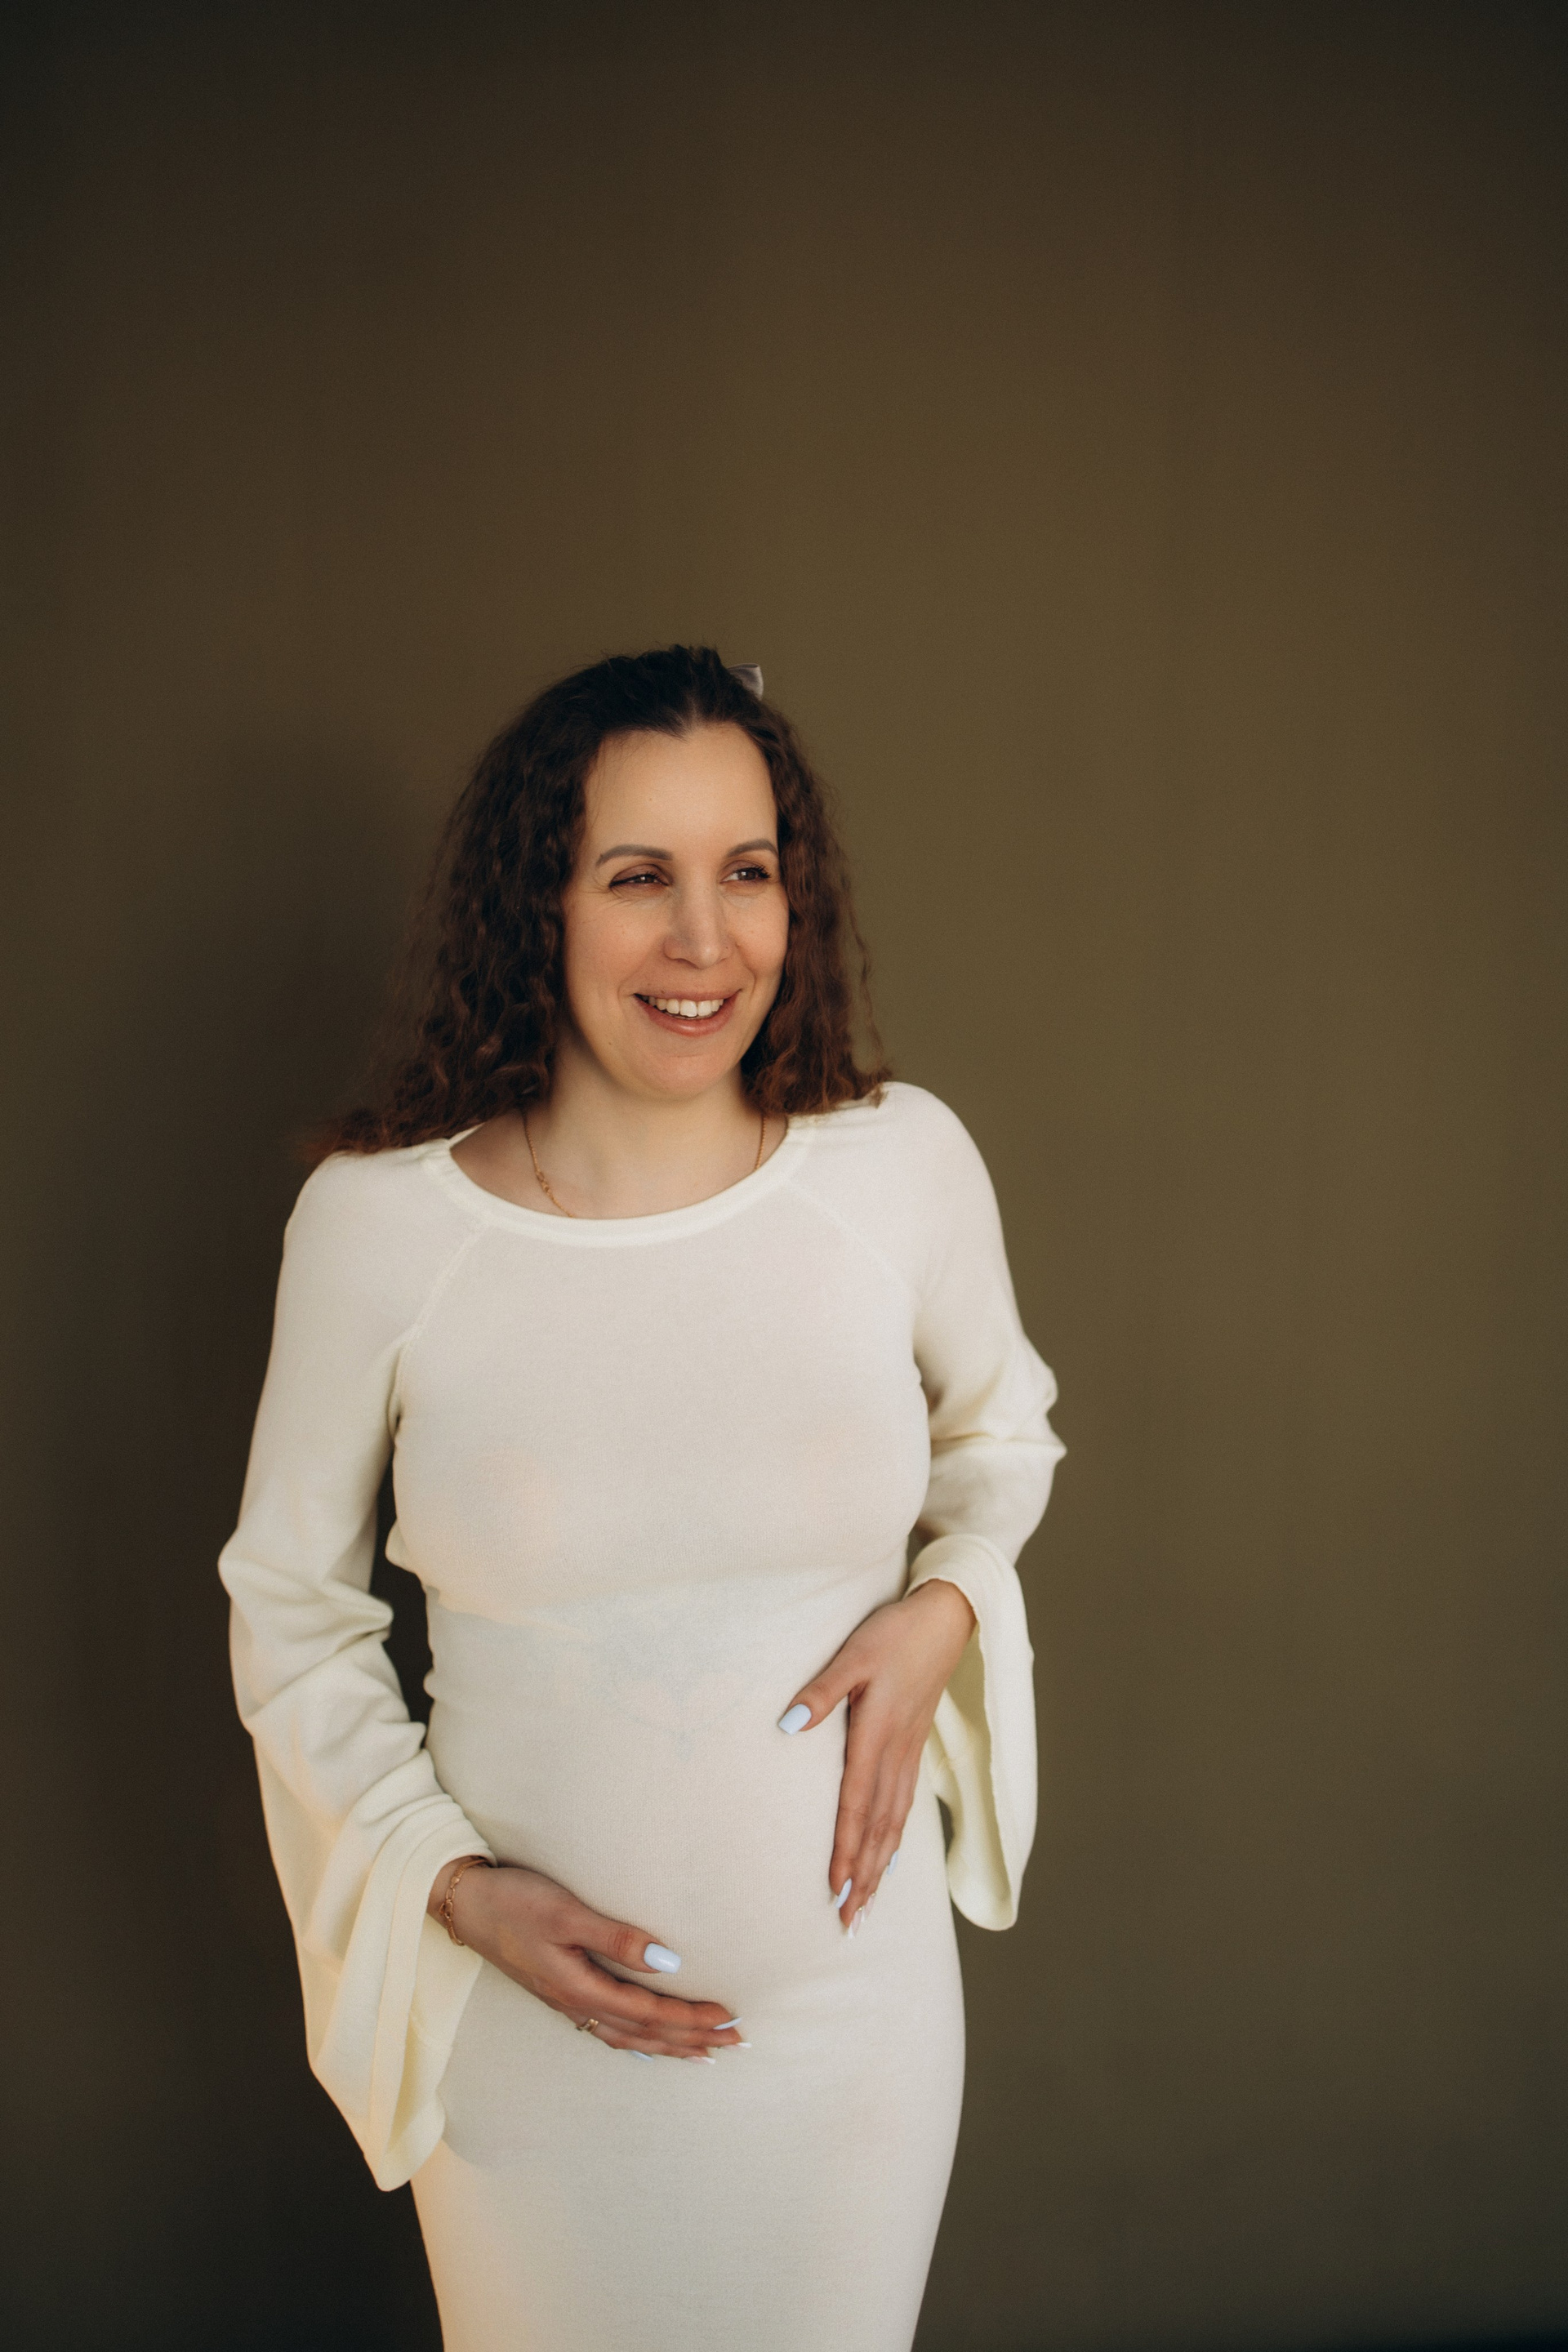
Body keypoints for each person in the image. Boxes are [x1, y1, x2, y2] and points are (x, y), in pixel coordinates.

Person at [220, 644, 1065, 2352]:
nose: (705, 940)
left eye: (747, 872)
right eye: (637, 878)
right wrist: (447, 1887)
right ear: (538, 904)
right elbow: (290, 1617)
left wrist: (946, 1609)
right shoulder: (382, 1232)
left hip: (854, 2030)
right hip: (529, 2055)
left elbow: (1006, 1441)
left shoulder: (899, 1167)